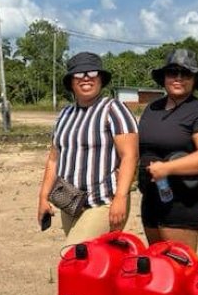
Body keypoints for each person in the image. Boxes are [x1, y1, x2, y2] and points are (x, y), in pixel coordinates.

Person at [37, 52, 138, 244]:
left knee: (72, 257)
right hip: (70, 202)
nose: (85, 78)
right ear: (71, 82)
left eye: (92, 73)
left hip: (103, 202)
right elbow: (54, 158)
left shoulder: (114, 109)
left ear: (100, 79)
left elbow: (130, 156)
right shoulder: (65, 114)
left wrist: (120, 198)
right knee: (91, 265)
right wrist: (43, 197)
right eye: (78, 74)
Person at [138, 49, 198, 249]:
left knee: (180, 265)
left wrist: (168, 168)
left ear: (195, 79)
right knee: (157, 263)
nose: (178, 78)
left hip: (182, 199)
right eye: (172, 72)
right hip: (150, 197)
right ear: (164, 77)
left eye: (186, 74)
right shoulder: (152, 108)